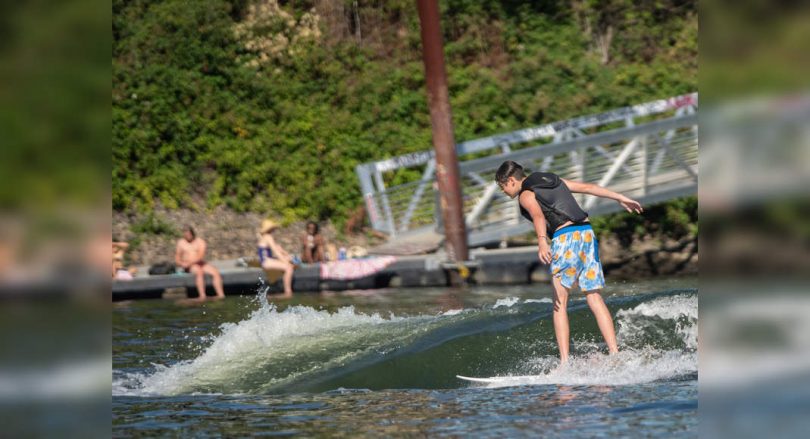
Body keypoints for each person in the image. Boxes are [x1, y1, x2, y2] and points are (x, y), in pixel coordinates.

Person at [494, 160, 644, 364]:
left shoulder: (526, 194)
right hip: (587, 234)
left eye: (501, 186)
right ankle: (615, 353)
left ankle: (564, 363)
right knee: (594, 297)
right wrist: (620, 198)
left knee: (559, 303)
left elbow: (538, 216)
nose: (502, 191)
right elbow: (588, 188)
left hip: (566, 238)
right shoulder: (553, 179)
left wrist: (542, 242)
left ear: (511, 180)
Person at [174, 226, 225, 300]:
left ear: (192, 234)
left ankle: (221, 295)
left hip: (199, 262)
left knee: (215, 272)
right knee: (199, 272)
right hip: (189, 266)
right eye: (185, 235)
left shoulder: (200, 241)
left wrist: (191, 262)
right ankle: (202, 296)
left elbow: (200, 256)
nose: (187, 236)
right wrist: (182, 264)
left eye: (188, 235)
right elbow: (177, 258)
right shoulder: (181, 243)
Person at [257, 219, 295, 296]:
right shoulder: (268, 237)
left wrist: (287, 256)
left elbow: (277, 249)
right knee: (289, 268)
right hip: (266, 262)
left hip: (267, 261)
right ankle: (288, 291)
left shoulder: (265, 237)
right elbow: (276, 252)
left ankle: (283, 289)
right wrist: (285, 262)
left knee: (288, 260)